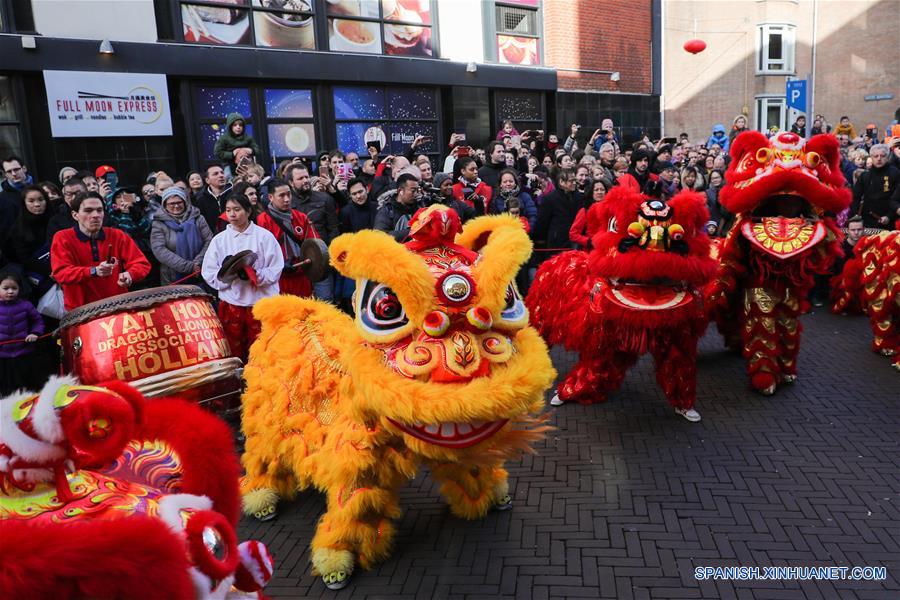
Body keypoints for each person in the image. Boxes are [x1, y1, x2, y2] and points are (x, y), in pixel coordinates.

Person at [201, 194, 283, 361]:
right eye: (228, 210)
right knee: (234, 350)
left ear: (248, 211)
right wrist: (228, 277)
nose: (232, 214)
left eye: (237, 209)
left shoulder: (264, 236)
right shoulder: (219, 240)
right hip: (232, 303)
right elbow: (209, 272)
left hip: (261, 303)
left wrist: (255, 275)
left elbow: (275, 268)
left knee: (264, 349)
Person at [50, 192, 151, 311]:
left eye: (99, 210)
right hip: (81, 311)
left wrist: (130, 274)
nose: (95, 215)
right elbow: (61, 273)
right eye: (88, 211)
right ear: (75, 215)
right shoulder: (62, 237)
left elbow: (141, 263)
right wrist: (93, 271)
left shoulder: (117, 235)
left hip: (118, 305)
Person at [256, 177, 320, 298]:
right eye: (281, 196)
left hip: (302, 277)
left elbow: (315, 244)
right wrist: (279, 265)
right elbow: (260, 253)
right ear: (270, 197)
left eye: (289, 194)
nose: (286, 199)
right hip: (277, 279)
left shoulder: (301, 217)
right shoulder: (262, 220)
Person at [287, 163, 339, 301]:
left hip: (322, 259)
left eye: (306, 177)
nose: (305, 180)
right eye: (300, 178)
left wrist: (328, 252)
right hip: (297, 262)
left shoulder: (325, 199)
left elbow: (333, 228)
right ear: (291, 182)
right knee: (300, 303)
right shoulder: (287, 204)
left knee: (325, 301)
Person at [150, 186, 212, 285]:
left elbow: (209, 241)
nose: (176, 206)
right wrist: (188, 267)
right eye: (171, 203)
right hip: (172, 275)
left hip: (200, 270)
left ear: (185, 202)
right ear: (165, 205)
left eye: (179, 202)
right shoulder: (159, 223)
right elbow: (159, 250)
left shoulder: (198, 218)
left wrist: (197, 263)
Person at [0, 270, 44, 395]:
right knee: (5, 390)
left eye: (14, 288)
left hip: (23, 354)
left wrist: (35, 333)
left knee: (25, 387)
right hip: (2, 357)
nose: (10, 291)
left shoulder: (26, 305)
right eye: (6, 288)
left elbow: (38, 321)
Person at [8, 186, 52, 301]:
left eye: (41, 199)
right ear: (24, 203)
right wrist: (51, 271)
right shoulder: (18, 228)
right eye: (31, 201)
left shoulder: (55, 220)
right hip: (39, 280)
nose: (37, 204)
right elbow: (24, 259)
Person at [533, 169, 583, 259]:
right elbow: (543, 222)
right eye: (571, 181)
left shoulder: (580, 197)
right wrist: (540, 238)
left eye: (575, 180)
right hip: (557, 242)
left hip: (575, 241)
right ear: (561, 182)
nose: (574, 183)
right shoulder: (550, 199)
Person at [851, 144, 900, 228]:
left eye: (882, 156)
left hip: (889, 220)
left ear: (887, 157)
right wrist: (856, 214)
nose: (879, 159)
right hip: (868, 219)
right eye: (876, 156)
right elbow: (855, 197)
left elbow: (896, 199)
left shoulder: (895, 173)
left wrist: (889, 216)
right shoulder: (865, 175)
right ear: (871, 157)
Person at [374, 173, 423, 241]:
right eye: (413, 191)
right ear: (400, 191)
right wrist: (412, 232)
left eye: (417, 190)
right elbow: (380, 237)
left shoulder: (419, 207)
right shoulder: (386, 211)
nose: (416, 194)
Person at [569, 178, 610, 249]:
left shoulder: (611, 209)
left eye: (602, 190)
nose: (599, 192)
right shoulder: (585, 211)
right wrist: (589, 242)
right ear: (591, 193)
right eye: (596, 190)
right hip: (590, 250)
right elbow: (573, 234)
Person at [46, 178, 86, 242]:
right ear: (64, 197)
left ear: (86, 193)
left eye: (78, 193)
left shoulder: (97, 213)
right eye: (69, 194)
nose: (74, 198)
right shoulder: (56, 221)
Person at [196, 164, 233, 232]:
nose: (221, 175)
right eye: (215, 174)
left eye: (222, 173)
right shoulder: (201, 200)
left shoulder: (235, 194)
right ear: (207, 180)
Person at [1, 156, 31, 240]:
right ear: (5, 174)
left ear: (24, 168)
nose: (13, 174)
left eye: (16, 169)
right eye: (9, 171)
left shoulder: (40, 187)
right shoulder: (3, 198)